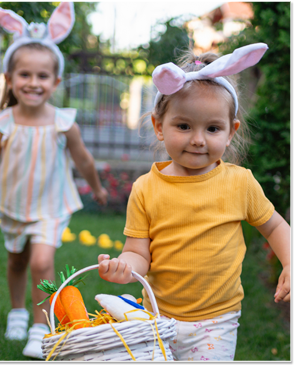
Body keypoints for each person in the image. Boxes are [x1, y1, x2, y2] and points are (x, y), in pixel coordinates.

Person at [98, 43, 290, 361]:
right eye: (184, 126)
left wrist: (289, 261)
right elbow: (137, 254)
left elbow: (275, 226)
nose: (198, 139)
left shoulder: (240, 182)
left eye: (212, 128)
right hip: (157, 316)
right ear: (160, 126)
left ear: (230, 132)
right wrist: (124, 268)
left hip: (216, 321)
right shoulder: (145, 189)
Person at [0, 3, 107, 359]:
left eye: (42, 77)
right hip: (12, 204)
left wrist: (97, 187)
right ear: (9, 78)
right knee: (17, 261)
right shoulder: (2, 123)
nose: (33, 83)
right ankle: (17, 312)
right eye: (25, 75)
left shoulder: (63, 122)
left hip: (50, 206)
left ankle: (40, 326)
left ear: (55, 82)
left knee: (41, 262)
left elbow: (83, 159)